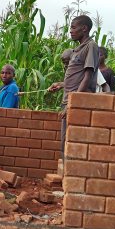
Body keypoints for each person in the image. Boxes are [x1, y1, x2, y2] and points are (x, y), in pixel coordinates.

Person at [47, 15, 99, 151]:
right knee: (64, 142)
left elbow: (87, 77)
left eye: (73, 27)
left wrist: (73, 104)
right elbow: (76, 78)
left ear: (84, 28)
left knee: (69, 143)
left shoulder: (91, 46)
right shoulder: (77, 49)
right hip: (68, 101)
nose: (70, 31)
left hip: (75, 103)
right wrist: (60, 84)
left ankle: (68, 172)